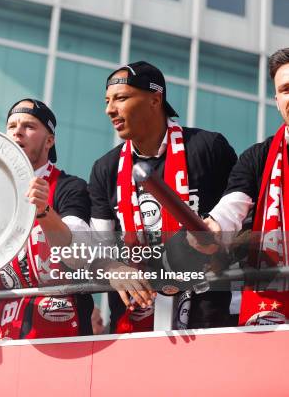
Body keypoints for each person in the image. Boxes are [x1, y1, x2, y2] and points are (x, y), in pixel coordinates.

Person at [88, 61, 237, 332]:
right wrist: (112, 268)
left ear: (155, 99)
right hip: (132, 323)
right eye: (108, 101)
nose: (109, 109)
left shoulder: (208, 148)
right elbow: (97, 245)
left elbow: (242, 223)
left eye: (121, 98)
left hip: (206, 319)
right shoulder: (105, 168)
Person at [193, 48, 289, 325]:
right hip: (271, 311)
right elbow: (232, 205)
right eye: (285, 89)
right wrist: (211, 227)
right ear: (276, 99)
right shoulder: (259, 156)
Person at [0, 98, 91, 340]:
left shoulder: (69, 186)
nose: (18, 131)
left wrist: (44, 212)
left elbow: (79, 253)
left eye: (29, 126)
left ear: (49, 140)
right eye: (12, 126)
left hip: (61, 327)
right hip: (5, 328)